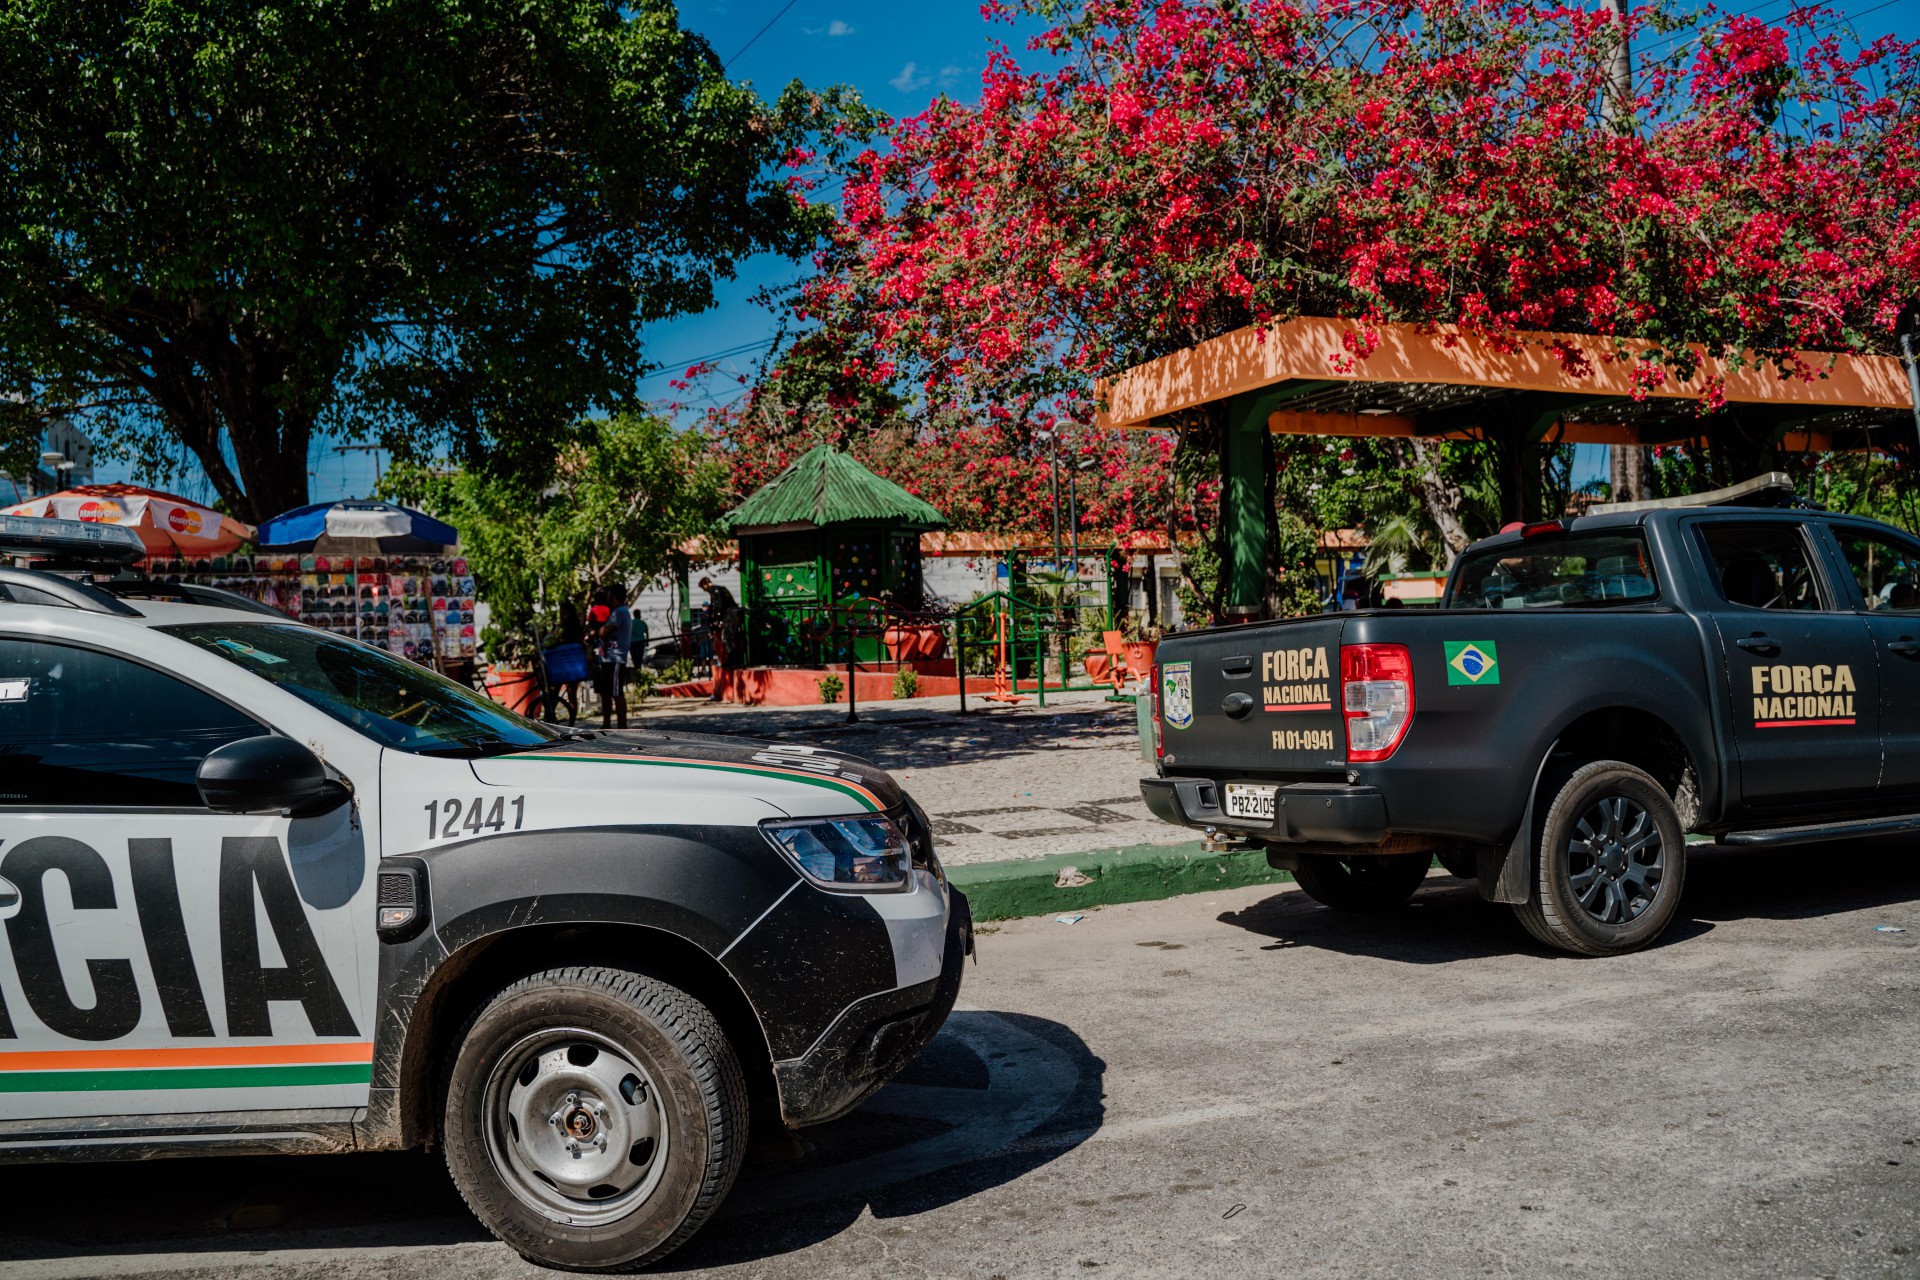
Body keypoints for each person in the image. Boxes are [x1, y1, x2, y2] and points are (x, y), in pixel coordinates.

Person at [597, 585, 633, 729]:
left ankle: (622, 726)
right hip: (608, 658)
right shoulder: (618, 612)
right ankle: (606, 724)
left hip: (616, 658)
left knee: (617, 693)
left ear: (613, 596)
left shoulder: (619, 612)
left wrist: (598, 629)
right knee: (606, 693)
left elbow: (603, 632)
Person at [545, 599, 586, 725]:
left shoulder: (575, 629)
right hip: (561, 664)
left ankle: (571, 722)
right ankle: (551, 718)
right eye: (561, 614)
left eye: (564, 614)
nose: (562, 617)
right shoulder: (559, 628)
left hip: (570, 664)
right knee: (554, 693)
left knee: (571, 694)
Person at [699, 575, 739, 702]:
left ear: (706, 584)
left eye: (704, 588)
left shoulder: (715, 590)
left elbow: (717, 605)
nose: (705, 591)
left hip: (730, 614)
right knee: (728, 636)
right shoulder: (720, 589)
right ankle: (732, 659)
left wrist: (716, 618)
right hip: (732, 612)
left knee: (727, 637)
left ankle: (733, 660)